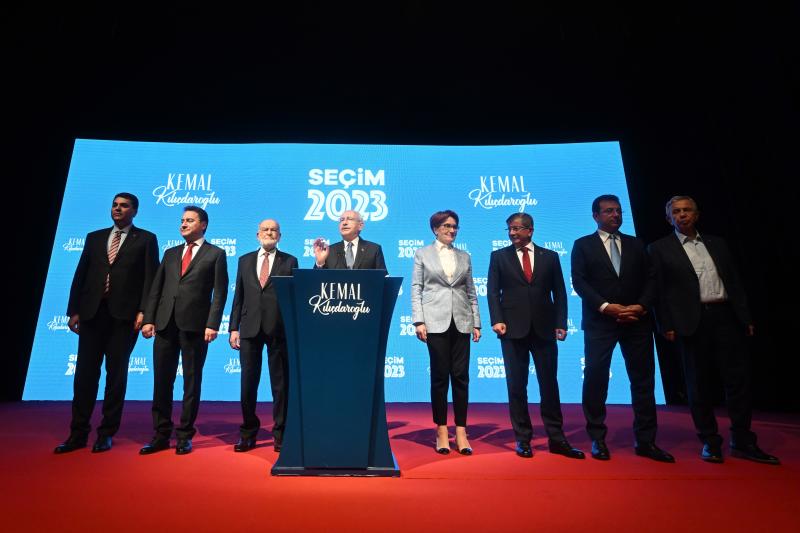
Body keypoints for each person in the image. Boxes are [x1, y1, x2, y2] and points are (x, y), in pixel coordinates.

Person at [648, 196, 778, 464]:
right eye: (676, 212)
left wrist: (745, 317)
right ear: (669, 218)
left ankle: (742, 440)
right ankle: (710, 440)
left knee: (738, 381)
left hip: (726, 316)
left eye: (687, 210)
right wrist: (665, 324)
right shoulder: (658, 248)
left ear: (696, 214)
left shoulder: (717, 243)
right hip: (691, 321)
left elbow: (734, 281)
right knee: (699, 384)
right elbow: (658, 292)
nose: (682, 215)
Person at [571, 194, 673, 462]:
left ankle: (646, 441)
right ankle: (597, 438)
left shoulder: (637, 244)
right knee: (596, 379)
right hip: (600, 322)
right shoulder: (583, 245)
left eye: (618, 211)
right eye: (608, 211)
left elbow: (652, 279)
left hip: (636, 321)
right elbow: (580, 282)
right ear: (596, 216)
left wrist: (640, 306)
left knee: (643, 381)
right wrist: (606, 306)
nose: (615, 215)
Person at [55, 193, 159, 454]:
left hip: (124, 318)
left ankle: (106, 433)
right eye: (114, 205)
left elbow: (151, 279)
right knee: (84, 376)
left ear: (135, 211)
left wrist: (145, 312)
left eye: (124, 206)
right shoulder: (94, 237)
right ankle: (78, 433)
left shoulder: (146, 239)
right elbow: (81, 274)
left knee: (116, 377)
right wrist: (73, 310)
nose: (117, 209)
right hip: (91, 314)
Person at [488, 213, 584, 460]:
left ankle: (557, 438)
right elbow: (493, 292)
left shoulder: (549, 256)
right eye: (509, 229)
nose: (512, 233)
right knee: (516, 386)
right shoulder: (499, 256)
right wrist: (497, 319)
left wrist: (561, 322)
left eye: (517, 229)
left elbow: (559, 292)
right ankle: (523, 439)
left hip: (544, 328)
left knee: (549, 384)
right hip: (511, 329)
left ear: (530, 230)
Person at [140, 206, 228, 455]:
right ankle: (160, 434)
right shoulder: (170, 253)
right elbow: (156, 288)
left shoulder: (216, 254)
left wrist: (212, 324)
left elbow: (220, 293)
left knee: (191, 381)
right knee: (162, 381)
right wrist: (149, 319)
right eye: (182, 220)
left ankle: (185, 435)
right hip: (165, 324)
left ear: (203, 225)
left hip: (196, 327)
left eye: (189, 220)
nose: (184, 224)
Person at [411, 210, 481, 455]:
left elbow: (471, 291)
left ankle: (461, 431)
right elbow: (416, 288)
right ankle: (441, 429)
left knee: (461, 376)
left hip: (462, 321)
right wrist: (419, 321)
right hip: (434, 321)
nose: (452, 230)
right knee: (440, 377)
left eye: (455, 226)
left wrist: (476, 322)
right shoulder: (422, 253)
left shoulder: (465, 256)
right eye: (447, 226)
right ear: (435, 229)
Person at [229, 219, 298, 453]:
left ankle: (281, 434)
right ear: (257, 234)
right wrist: (233, 328)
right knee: (248, 384)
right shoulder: (244, 260)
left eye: (274, 230)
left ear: (280, 236)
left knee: (281, 385)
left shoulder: (290, 261)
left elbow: (294, 297)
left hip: (279, 329)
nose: (269, 232)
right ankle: (248, 433)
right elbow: (238, 296)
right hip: (249, 328)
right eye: (265, 230)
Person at [312, 210, 387, 271]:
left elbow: (383, 279)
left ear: (360, 225)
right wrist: (320, 262)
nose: (344, 223)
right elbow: (316, 281)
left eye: (350, 219)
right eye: (341, 220)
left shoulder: (373, 249)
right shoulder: (329, 251)